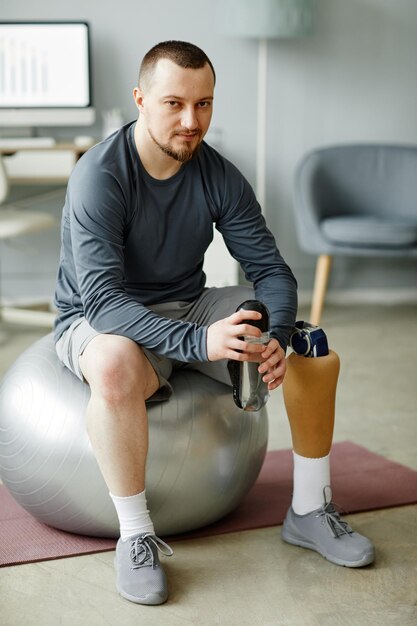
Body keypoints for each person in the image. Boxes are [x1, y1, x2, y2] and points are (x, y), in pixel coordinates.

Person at [53, 40, 374, 606]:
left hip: (186, 304)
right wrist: (201, 341)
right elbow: (101, 300)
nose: (190, 120)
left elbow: (273, 272)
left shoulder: (218, 174)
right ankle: (136, 536)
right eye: (174, 103)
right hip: (99, 317)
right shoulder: (99, 177)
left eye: (203, 104)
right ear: (140, 99)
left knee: (311, 346)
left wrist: (273, 337)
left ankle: (309, 508)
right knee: (114, 363)